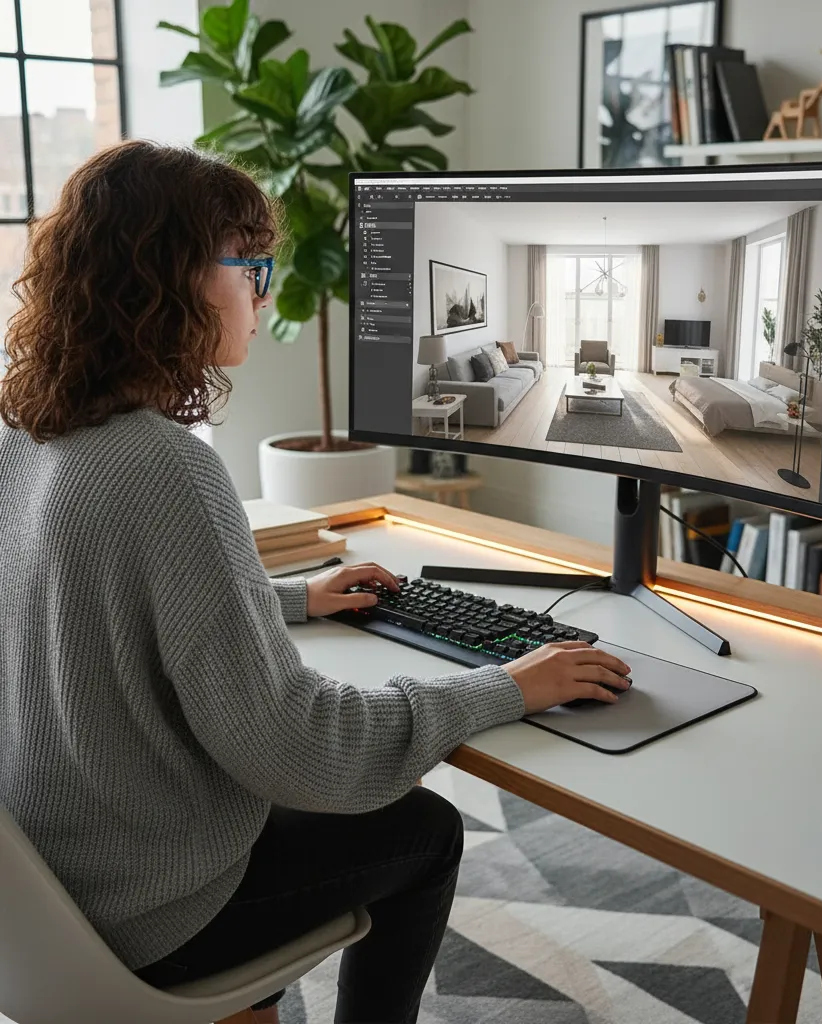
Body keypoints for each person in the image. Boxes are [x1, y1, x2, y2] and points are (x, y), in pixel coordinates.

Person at [0, 140, 631, 1024]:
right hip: (150, 909)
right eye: (251, 268)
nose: (266, 296)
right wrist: (503, 688)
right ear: (172, 276)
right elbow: (298, 750)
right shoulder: (165, 467)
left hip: (44, 893)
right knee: (426, 829)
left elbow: (92, 617)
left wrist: (292, 598)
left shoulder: (25, 430)